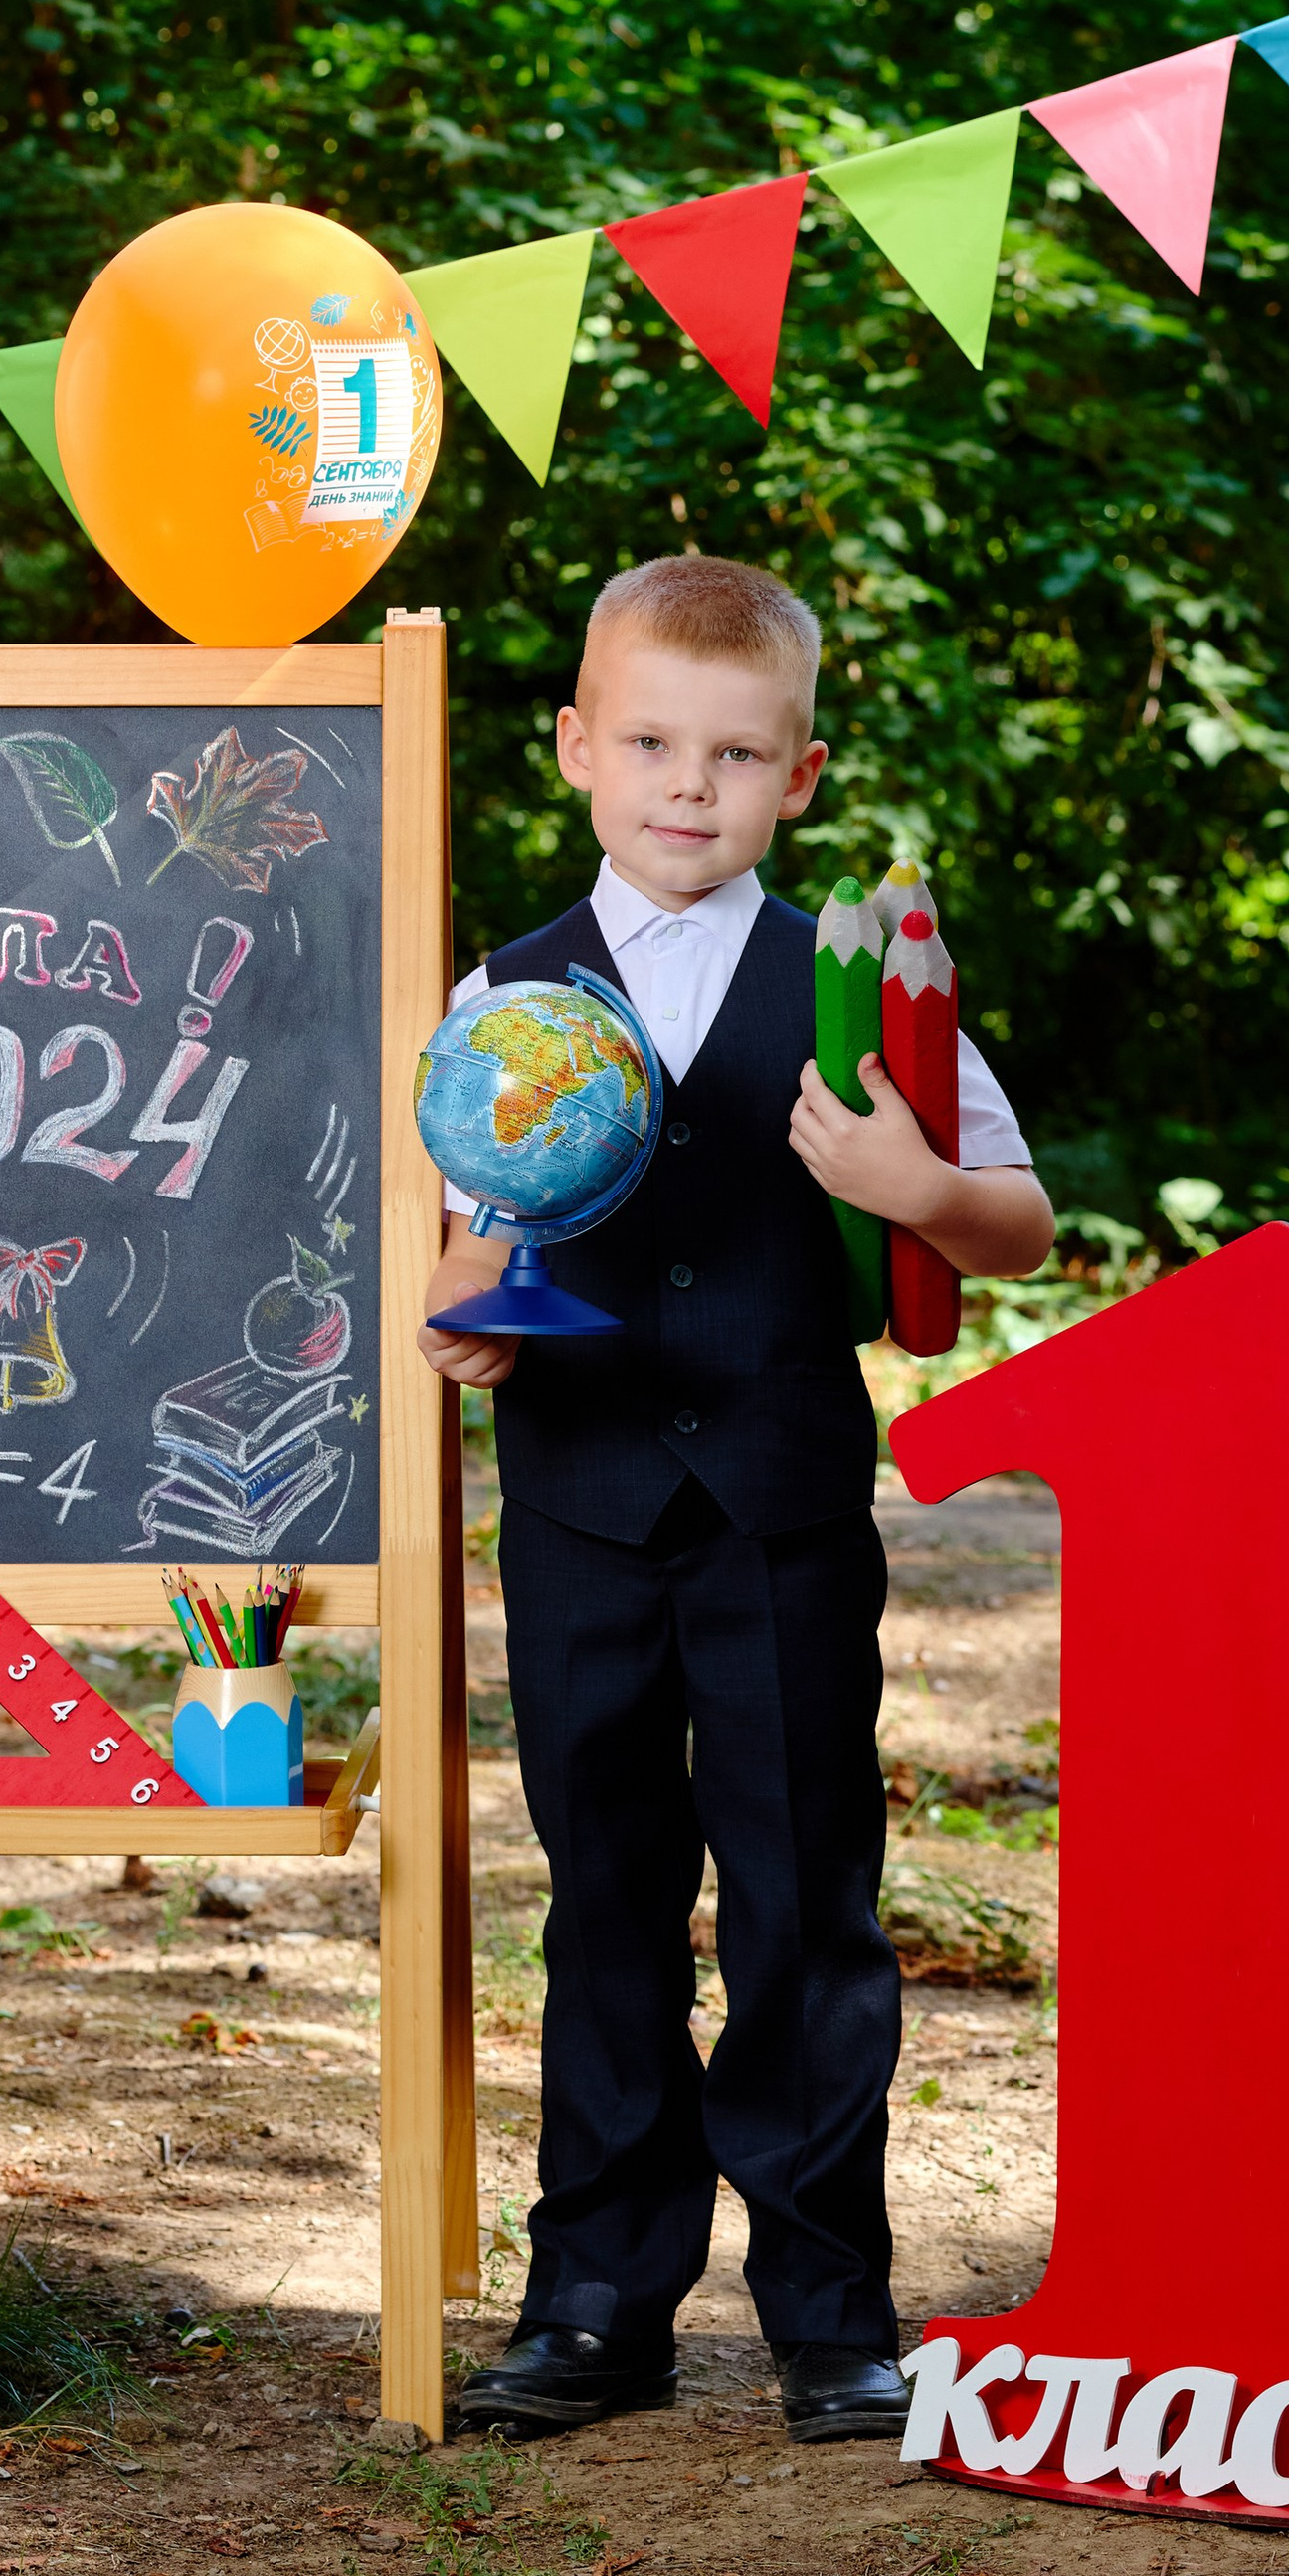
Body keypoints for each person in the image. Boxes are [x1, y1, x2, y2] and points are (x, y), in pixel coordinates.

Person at [419, 557, 1053, 2444]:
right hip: (585, 1513)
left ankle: (830, 2304)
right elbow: (465, 1242)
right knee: (608, 1895)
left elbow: (1016, 1224)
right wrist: (462, 1317)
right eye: (649, 743)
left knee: (802, 1900)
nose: (687, 785)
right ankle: (598, 2296)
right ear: (574, 750)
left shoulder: (860, 990)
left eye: (735, 751)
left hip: (780, 1515)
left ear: (801, 772)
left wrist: (906, 1180)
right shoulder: (504, 988)